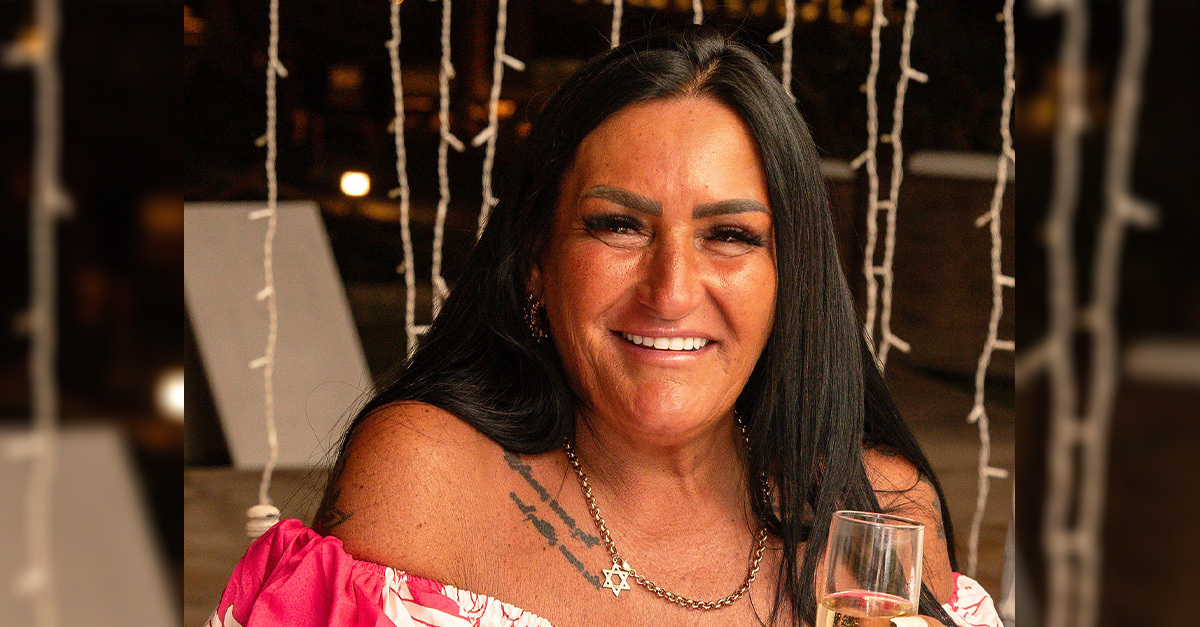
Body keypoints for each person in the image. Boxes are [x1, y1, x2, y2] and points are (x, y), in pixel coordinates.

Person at [207, 28, 1002, 627]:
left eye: (730, 235)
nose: (671, 291)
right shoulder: (430, 479)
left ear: (788, 280)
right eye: (619, 225)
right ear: (535, 258)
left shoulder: (876, 511)